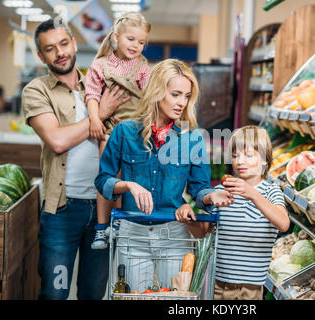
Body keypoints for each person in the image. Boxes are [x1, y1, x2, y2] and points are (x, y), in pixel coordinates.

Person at [94, 59, 233, 293]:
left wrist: (211, 195)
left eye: (186, 96)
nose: (181, 103)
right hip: (132, 235)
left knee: (175, 300)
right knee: (134, 299)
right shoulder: (125, 132)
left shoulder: (192, 139)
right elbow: (102, 180)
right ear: (158, 91)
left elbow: (199, 188)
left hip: (174, 234)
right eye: (175, 94)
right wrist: (129, 185)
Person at [22, 18, 129, 300]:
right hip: (62, 210)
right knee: (55, 293)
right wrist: (101, 113)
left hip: (104, 210)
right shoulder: (37, 91)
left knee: (94, 293)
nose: (59, 52)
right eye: (50, 48)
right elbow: (57, 141)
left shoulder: (98, 87)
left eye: (64, 43)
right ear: (40, 55)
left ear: (74, 43)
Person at [178, 125, 290, 300]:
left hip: (251, 288)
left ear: (265, 160)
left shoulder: (271, 191)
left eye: (248, 155)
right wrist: (189, 220)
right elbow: (203, 231)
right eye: (235, 155)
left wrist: (252, 194)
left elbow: (283, 224)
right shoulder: (221, 191)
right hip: (217, 284)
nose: (240, 161)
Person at [85, 12, 152, 250]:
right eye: (131, 39)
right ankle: (102, 227)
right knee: (107, 176)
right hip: (110, 129)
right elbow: (92, 95)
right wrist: (95, 119)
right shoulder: (100, 65)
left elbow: (150, 99)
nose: (136, 45)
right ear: (116, 37)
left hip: (135, 131)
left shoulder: (143, 68)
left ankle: (119, 221)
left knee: (127, 179)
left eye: (141, 42)